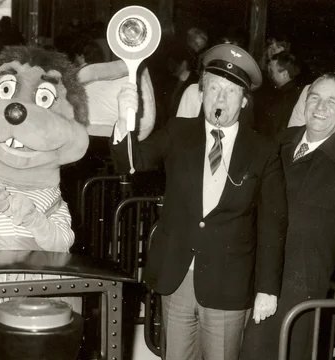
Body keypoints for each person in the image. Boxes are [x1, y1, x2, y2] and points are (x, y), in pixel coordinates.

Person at [114, 44, 288, 359]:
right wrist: (123, 120)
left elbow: (272, 225)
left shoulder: (263, 150)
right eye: (214, 89)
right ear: (201, 92)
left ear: (245, 101)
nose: (221, 99)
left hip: (228, 283)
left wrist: (267, 289)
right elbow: (131, 162)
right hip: (177, 277)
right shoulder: (178, 132)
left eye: (231, 91)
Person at [241, 73, 335, 360]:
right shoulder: (281, 140)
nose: (320, 107)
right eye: (315, 98)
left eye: (332, 102)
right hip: (250, 267)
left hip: (298, 280)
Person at [254, 51, 305, 137]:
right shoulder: (293, 92)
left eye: (272, 71)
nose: (269, 75)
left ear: (284, 74)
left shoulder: (286, 98)